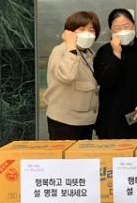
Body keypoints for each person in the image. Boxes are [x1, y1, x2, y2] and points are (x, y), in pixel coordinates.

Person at [93, 8, 137, 139]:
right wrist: (116, 54)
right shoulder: (104, 52)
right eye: (117, 28)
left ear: (133, 25)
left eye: (126, 26)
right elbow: (105, 81)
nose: (122, 30)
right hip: (112, 119)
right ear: (111, 30)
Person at [43, 11, 100, 140]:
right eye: (82, 29)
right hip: (65, 121)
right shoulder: (60, 51)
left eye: (91, 30)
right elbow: (67, 76)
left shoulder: (89, 53)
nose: (87, 34)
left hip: (86, 121)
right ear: (70, 32)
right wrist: (70, 46)